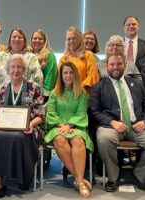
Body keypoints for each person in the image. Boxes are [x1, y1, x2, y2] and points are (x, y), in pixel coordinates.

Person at [89, 52, 145, 192]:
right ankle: (113, 177)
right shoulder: (98, 87)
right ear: (107, 67)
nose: (115, 67)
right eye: (112, 64)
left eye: (118, 64)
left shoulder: (137, 84)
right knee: (104, 140)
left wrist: (144, 121)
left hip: (136, 126)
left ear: (125, 65)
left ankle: (139, 175)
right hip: (110, 127)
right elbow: (94, 111)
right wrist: (112, 122)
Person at [0, 54, 44, 199]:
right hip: (3, 129)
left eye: (19, 67)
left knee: (17, 137)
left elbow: (40, 114)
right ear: (8, 70)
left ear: (24, 70)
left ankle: (7, 180)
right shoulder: (2, 89)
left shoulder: (34, 88)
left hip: (28, 129)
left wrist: (30, 124)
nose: (16, 70)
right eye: (13, 67)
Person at [45, 61, 93, 197]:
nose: (68, 75)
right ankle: (80, 180)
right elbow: (51, 114)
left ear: (75, 75)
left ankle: (78, 179)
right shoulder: (55, 93)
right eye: (65, 73)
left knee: (78, 139)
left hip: (76, 126)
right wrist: (62, 126)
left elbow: (81, 113)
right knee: (59, 139)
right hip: (57, 127)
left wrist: (69, 125)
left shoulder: (82, 93)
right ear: (61, 75)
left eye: (71, 72)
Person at [0, 28, 43, 97]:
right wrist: (1, 92)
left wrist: (23, 91)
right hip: (3, 98)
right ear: (10, 40)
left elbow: (37, 78)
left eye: (20, 37)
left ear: (24, 41)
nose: (16, 39)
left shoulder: (31, 58)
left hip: (25, 97)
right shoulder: (1, 56)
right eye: (14, 37)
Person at [58, 27, 99, 94]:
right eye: (69, 39)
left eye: (74, 38)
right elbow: (58, 80)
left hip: (84, 95)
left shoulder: (88, 55)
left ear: (80, 39)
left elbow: (92, 76)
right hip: (66, 96)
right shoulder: (63, 59)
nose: (71, 41)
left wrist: (77, 89)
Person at [30, 29, 57, 101]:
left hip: (42, 96)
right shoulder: (28, 55)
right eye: (35, 38)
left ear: (45, 41)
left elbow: (50, 77)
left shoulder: (49, 56)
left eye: (40, 39)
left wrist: (44, 96)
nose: (37, 40)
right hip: (28, 94)